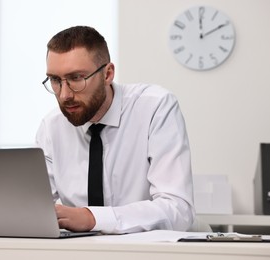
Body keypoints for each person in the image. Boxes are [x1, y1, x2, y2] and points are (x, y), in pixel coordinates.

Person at [36, 26, 194, 234]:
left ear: (108, 74)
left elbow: (179, 210)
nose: (64, 95)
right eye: (56, 80)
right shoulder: (51, 126)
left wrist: (93, 218)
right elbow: (35, 210)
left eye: (76, 78)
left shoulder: (155, 107)